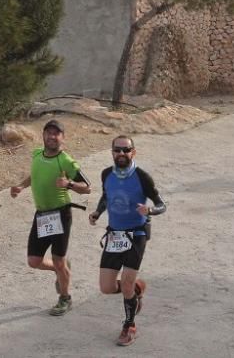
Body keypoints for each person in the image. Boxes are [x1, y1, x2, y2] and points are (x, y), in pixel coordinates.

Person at [89, 136, 166, 347]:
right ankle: (135, 290)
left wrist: (150, 210)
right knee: (106, 287)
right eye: (117, 150)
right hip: (115, 234)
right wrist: (98, 212)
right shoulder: (106, 174)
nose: (121, 154)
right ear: (112, 152)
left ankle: (129, 325)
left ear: (134, 152)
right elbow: (106, 196)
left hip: (137, 233)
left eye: (126, 150)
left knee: (126, 283)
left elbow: (161, 204)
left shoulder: (142, 177)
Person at [10, 119, 91, 315]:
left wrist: (69, 184)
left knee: (58, 259)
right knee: (33, 261)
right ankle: (59, 269)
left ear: (62, 138)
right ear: (43, 135)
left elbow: (87, 188)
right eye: (49, 132)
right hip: (42, 215)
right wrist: (21, 186)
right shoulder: (37, 153)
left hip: (60, 214)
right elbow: (34, 176)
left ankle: (65, 298)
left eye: (56, 133)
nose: (52, 136)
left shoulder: (66, 161)